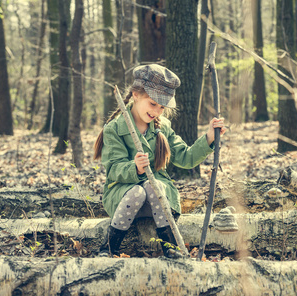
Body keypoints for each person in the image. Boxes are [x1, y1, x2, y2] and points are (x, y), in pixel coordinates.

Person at [93, 64, 226, 258]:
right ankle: (109, 248)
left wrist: (208, 138)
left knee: (152, 186)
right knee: (138, 190)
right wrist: (134, 168)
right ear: (136, 95)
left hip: (158, 201)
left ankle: (169, 246)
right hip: (123, 197)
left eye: (162, 107)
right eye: (152, 103)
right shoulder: (114, 128)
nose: (156, 111)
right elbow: (113, 169)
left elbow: (186, 158)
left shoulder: (162, 127)